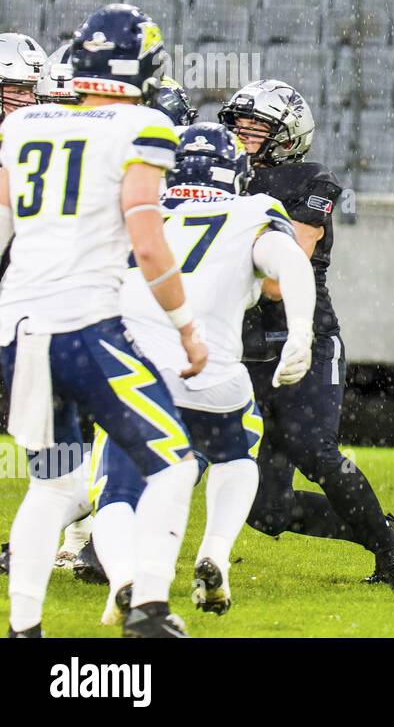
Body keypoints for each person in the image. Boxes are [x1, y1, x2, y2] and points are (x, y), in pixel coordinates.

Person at [1, 3, 206, 637]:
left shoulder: (25, 123)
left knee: (54, 488)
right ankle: (147, 607)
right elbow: (147, 241)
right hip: (85, 328)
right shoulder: (143, 125)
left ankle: (25, 629)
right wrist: (186, 327)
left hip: (18, 329)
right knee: (174, 462)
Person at [80, 121, 317, 623]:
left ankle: (126, 580)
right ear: (235, 173)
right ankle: (214, 552)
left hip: (137, 373)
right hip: (215, 376)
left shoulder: (139, 210)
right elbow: (289, 261)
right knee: (236, 456)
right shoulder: (251, 210)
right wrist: (301, 333)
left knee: (118, 491)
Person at [219, 80, 394, 591]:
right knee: (267, 511)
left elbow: (274, 284)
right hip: (237, 350)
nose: (242, 135)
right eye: (238, 125)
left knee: (314, 450)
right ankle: (389, 532)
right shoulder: (218, 176)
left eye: (256, 127)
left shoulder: (310, 181)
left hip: (302, 340)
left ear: (287, 136)